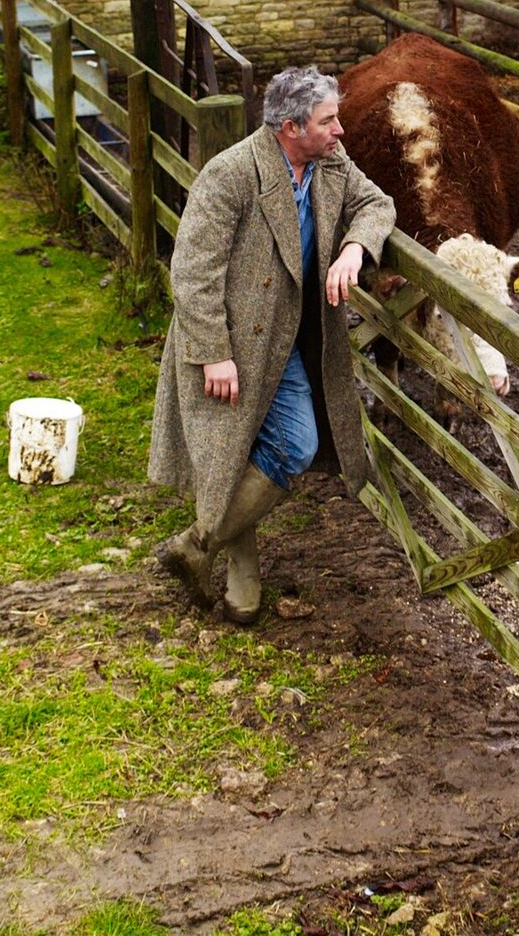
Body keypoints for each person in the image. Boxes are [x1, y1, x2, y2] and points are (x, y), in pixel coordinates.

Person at [149, 64, 396, 625]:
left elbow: (377, 205)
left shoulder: (330, 165)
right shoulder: (231, 174)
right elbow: (191, 271)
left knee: (292, 446)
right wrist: (213, 351)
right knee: (231, 455)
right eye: (327, 121)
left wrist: (355, 248)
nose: (339, 131)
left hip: (289, 344)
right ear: (290, 127)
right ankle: (242, 585)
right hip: (232, 345)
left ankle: (195, 546)